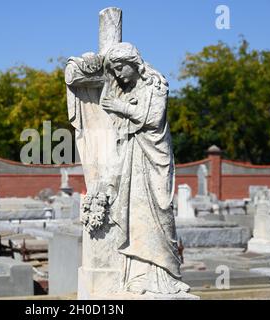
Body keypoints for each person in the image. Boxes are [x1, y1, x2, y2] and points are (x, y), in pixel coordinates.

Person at [98, 42, 190, 295]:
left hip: (155, 158)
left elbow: (152, 118)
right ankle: (140, 275)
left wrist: (119, 106)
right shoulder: (126, 90)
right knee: (136, 213)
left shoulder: (156, 83)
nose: (118, 74)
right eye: (114, 70)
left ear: (133, 62)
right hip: (133, 158)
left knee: (161, 210)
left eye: (120, 68)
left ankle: (168, 275)